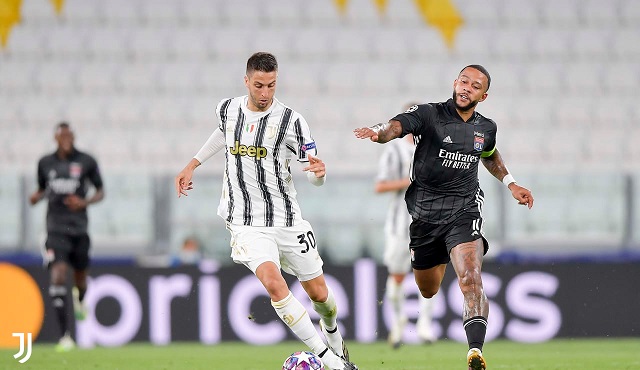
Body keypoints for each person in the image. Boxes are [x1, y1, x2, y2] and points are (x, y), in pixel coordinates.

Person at [175, 52, 357, 370]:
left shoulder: (292, 122)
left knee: (320, 296)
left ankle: (334, 336)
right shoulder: (227, 108)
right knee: (275, 284)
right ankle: (334, 363)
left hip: (287, 219)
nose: (264, 94)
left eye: (271, 86)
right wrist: (193, 163)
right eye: (258, 85)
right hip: (245, 222)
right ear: (246, 81)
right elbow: (223, 132)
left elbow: (314, 176)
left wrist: (319, 173)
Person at [354, 65, 534, 370]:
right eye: (464, 81)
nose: (466, 88)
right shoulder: (428, 114)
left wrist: (511, 183)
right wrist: (379, 133)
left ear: (483, 95)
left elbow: (489, 154)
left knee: (470, 277)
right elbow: (397, 126)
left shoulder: (486, 128)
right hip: (424, 215)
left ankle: (474, 350)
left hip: (464, 209)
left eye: (475, 86)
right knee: (428, 289)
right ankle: (445, 257)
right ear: (455, 82)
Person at [29, 122, 105, 352]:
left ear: (73, 136)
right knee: (59, 274)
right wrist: (37, 196)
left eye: (69, 135)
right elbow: (43, 188)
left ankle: (80, 299)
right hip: (55, 229)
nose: (66, 138)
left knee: (80, 279)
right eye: (62, 135)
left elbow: (100, 191)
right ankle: (65, 336)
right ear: (56, 137)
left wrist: (84, 202)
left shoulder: (86, 161)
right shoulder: (45, 163)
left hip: (79, 229)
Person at [374, 106, 436, 349]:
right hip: (400, 224)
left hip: (429, 222)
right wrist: (410, 181)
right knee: (398, 275)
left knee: (430, 275)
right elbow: (380, 186)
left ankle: (425, 325)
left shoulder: (434, 147)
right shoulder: (395, 149)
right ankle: (399, 322)